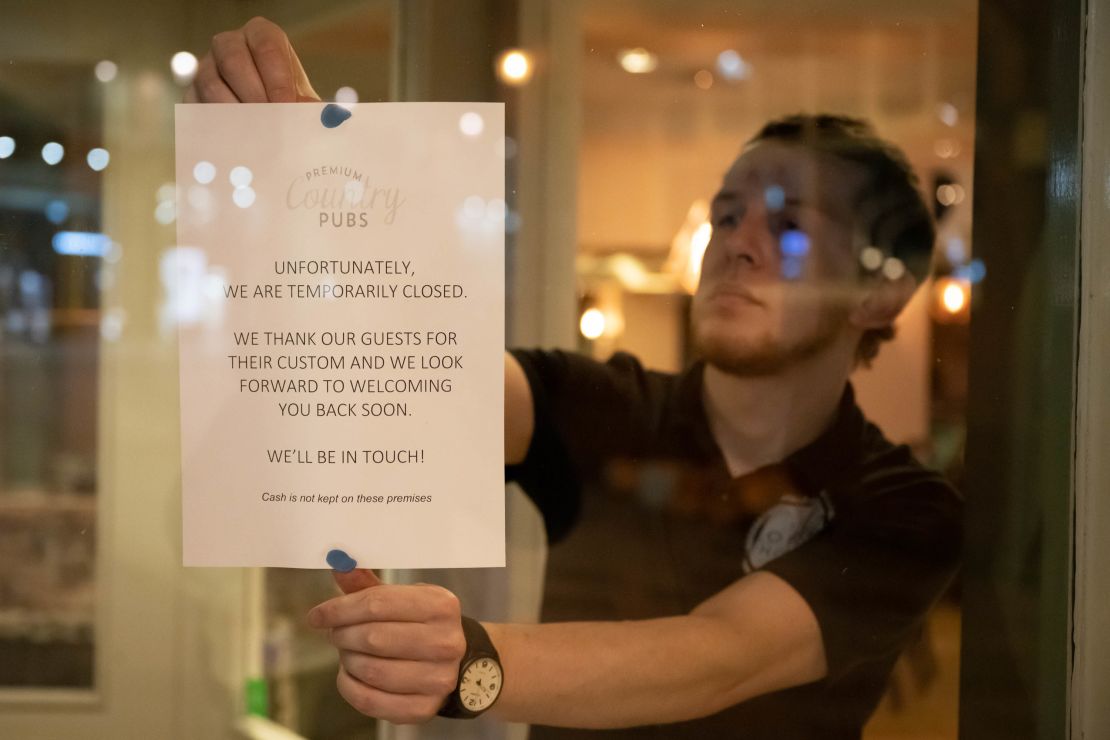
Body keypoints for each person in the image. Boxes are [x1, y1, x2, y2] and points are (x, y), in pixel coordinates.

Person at [191, 18, 963, 738]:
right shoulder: (613, 406)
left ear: (880, 291)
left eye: (789, 225)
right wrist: (323, 186)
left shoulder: (906, 508)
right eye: (727, 217)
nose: (739, 245)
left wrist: (470, 662)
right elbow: (426, 369)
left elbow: (718, 655)